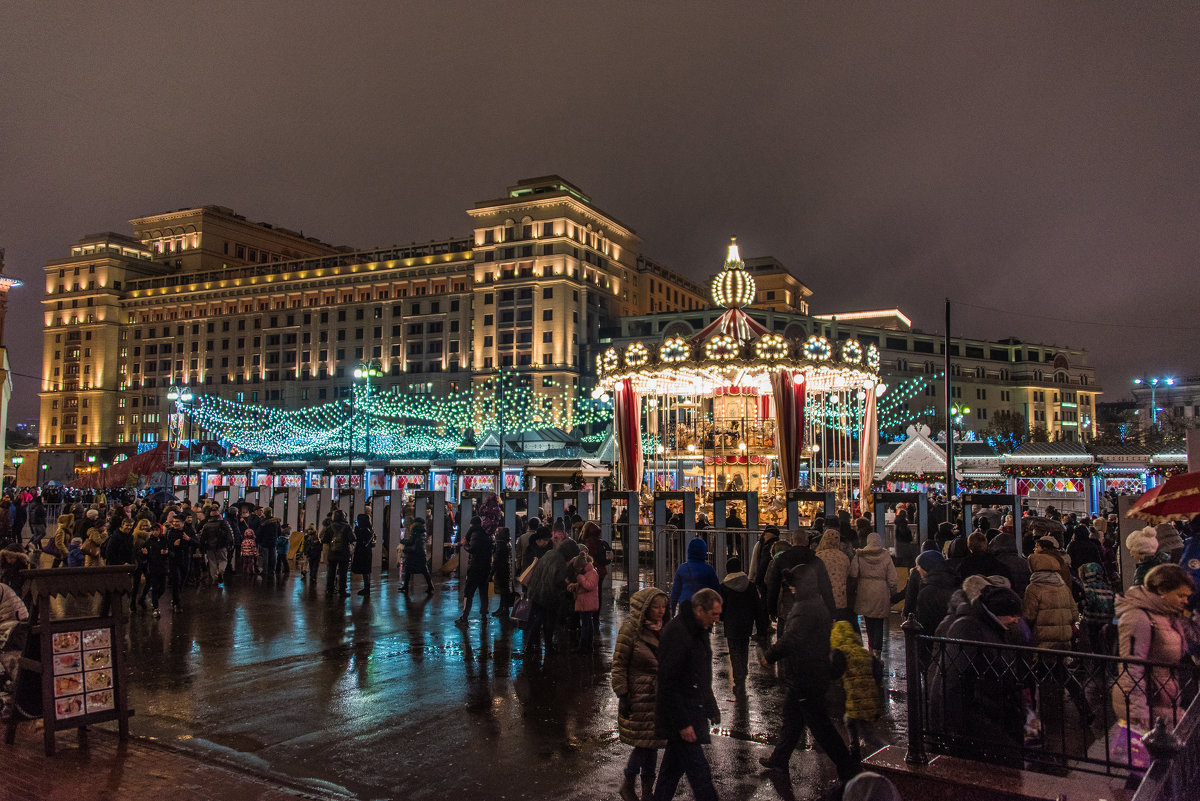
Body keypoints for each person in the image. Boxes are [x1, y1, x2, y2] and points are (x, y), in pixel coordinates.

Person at [758, 563, 860, 785]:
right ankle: (779, 759)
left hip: (807, 674)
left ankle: (847, 767)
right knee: (792, 720)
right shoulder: (814, 604)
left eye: (793, 585)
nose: (791, 589)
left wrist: (770, 655)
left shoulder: (805, 608)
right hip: (808, 674)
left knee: (820, 726)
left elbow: (792, 638)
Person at [928, 586, 1027, 763]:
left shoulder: (993, 627)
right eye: (1013, 615)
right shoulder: (968, 627)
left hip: (992, 714)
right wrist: (954, 729)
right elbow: (952, 681)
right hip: (976, 718)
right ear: (998, 612)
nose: (1016, 620)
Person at [652, 587, 722, 801]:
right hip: (683, 718)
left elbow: (700, 676)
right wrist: (683, 724)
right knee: (700, 775)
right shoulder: (679, 633)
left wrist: (711, 707)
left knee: (670, 773)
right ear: (700, 610)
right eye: (714, 614)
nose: (717, 620)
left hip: (689, 714)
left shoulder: (697, 629)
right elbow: (668, 683)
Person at [1113, 563, 1200, 729]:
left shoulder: (1168, 615)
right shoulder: (1138, 617)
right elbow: (1131, 666)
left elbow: (1195, 636)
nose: (1185, 600)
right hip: (1147, 704)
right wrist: (1138, 712)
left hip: (1164, 700)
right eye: (1181, 595)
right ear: (1162, 591)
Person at [612, 587, 668, 801]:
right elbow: (619, 665)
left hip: (657, 699)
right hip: (639, 697)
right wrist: (622, 693)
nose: (660, 611)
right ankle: (629, 782)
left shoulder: (663, 630)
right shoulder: (630, 631)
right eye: (656, 607)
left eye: (663, 607)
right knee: (645, 745)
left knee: (652, 745)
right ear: (645, 608)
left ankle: (646, 789)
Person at [831, 620, 884, 761]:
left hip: (857, 700)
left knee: (867, 734)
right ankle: (854, 747)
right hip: (869, 698)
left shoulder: (841, 654)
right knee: (850, 720)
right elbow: (878, 670)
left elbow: (834, 673)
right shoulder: (863, 652)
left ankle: (887, 752)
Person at [523, 537, 580, 656]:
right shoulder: (560, 561)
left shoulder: (549, 553)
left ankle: (530, 646)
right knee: (548, 622)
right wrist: (567, 585)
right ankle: (547, 647)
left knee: (537, 620)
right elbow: (558, 580)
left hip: (536, 591)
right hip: (547, 595)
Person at [718, 555, 765, 694]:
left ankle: (738, 679)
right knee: (744, 650)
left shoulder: (724, 587)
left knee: (734, 651)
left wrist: (721, 618)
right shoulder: (749, 586)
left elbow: (722, 607)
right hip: (746, 624)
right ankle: (743, 674)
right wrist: (761, 627)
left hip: (731, 624)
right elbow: (757, 607)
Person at [850, 532, 898, 654]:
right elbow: (892, 578)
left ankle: (870, 648)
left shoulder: (860, 555)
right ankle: (878, 652)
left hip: (865, 590)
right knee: (879, 623)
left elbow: (854, 573)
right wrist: (893, 592)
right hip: (881, 591)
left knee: (868, 621)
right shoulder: (886, 555)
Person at [666, 537, 720, 617]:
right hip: (704, 609)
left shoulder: (682, 568)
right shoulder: (709, 569)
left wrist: (672, 612)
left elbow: (675, 593)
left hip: (685, 608)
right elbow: (716, 591)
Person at [456, 515, 493, 626]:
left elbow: (473, 549)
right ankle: (484, 614)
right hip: (486, 567)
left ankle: (464, 617)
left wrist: (465, 545)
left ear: (472, 524)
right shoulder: (487, 534)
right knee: (483, 592)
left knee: (469, 592)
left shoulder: (476, 534)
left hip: (476, 567)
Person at [815, 527, 852, 623]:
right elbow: (848, 575)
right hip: (841, 598)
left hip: (822, 599)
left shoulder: (818, 556)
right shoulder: (844, 557)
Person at [568, 552, 599, 652]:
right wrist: (575, 586)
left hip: (588, 603)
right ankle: (587, 646)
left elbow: (589, 585)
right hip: (585, 602)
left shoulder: (592, 573)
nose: (577, 571)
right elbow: (584, 585)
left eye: (577, 569)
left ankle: (584, 646)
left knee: (586, 625)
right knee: (587, 623)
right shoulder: (587, 573)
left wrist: (579, 579)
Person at [321, 509, 354, 598]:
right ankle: (342, 591)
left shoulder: (330, 527)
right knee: (343, 573)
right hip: (344, 553)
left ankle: (330, 589)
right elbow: (352, 539)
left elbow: (324, 540)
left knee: (331, 572)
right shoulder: (347, 527)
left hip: (332, 553)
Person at [141, 524, 172, 618]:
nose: (155, 532)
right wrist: (144, 554)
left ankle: (155, 601)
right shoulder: (148, 542)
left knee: (162, 588)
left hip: (163, 568)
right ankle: (155, 608)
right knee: (154, 588)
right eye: (153, 530)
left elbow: (172, 553)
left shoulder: (165, 541)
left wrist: (167, 553)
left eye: (157, 530)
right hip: (153, 568)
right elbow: (143, 555)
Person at [199, 507, 233, 586]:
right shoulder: (224, 523)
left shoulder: (206, 525)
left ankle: (215, 578)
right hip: (222, 545)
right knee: (223, 560)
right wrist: (230, 543)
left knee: (212, 562)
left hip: (210, 546)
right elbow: (229, 535)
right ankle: (221, 571)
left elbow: (202, 537)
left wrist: (202, 547)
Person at [399, 517, 434, 594]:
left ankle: (405, 586)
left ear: (415, 523)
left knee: (408, 569)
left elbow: (411, 542)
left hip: (414, 554)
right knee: (424, 570)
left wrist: (402, 540)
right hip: (421, 553)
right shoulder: (423, 531)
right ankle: (430, 586)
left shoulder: (416, 530)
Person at [490, 526, 514, 618]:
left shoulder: (500, 544)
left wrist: (491, 573)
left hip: (501, 571)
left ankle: (504, 610)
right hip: (506, 570)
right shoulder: (508, 542)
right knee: (505, 591)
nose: (495, 534)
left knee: (503, 591)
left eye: (497, 532)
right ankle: (503, 609)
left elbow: (496, 560)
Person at [350, 512, 374, 597]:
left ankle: (366, 588)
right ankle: (367, 587)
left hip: (361, 551)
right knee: (366, 570)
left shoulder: (360, 529)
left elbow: (356, 536)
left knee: (364, 570)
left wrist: (355, 527)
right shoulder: (369, 529)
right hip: (367, 551)